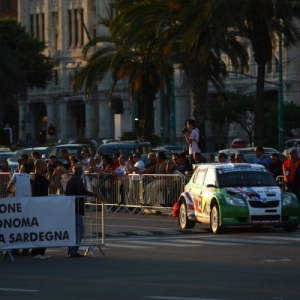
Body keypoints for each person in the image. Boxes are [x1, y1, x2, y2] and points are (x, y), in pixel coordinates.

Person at [65, 164, 103, 258]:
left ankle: (71, 250)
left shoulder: (72, 179)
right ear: (80, 172)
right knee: (80, 230)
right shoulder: (77, 180)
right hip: (76, 207)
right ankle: (73, 251)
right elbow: (82, 192)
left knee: (75, 230)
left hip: (72, 206)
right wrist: (95, 194)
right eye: (81, 170)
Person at [29, 159, 65, 259]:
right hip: (40, 206)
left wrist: (53, 175)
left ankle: (41, 251)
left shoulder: (34, 176)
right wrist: (58, 176)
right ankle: (36, 252)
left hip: (37, 205)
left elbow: (46, 182)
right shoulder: (39, 178)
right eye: (45, 165)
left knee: (42, 228)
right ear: (40, 166)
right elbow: (54, 186)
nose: (46, 167)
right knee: (41, 228)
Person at [6, 163, 33, 256]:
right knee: (27, 226)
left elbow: (8, 188)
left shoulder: (16, 175)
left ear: (23, 168)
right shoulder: (31, 177)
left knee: (16, 226)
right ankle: (26, 248)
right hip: (28, 203)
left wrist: (13, 191)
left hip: (18, 203)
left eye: (20, 167)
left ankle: (15, 249)